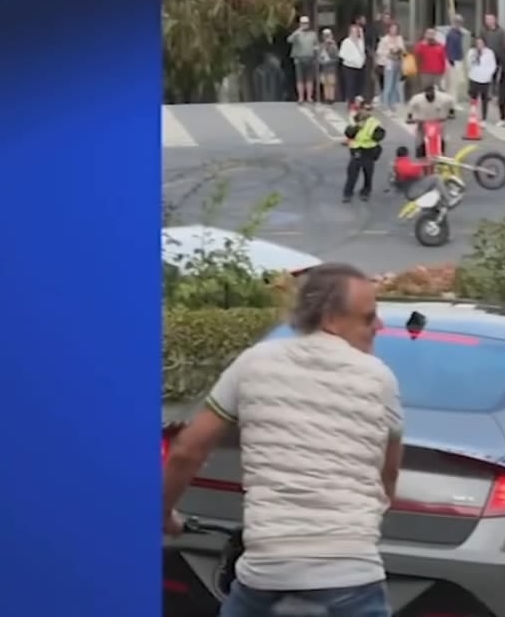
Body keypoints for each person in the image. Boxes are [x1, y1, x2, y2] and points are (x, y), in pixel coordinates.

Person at [162, 263, 403, 617]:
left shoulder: (254, 363)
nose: (378, 327)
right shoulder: (380, 379)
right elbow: (388, 475)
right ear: (331, 319)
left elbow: (187, 451)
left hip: (268, 569)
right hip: (351, 572)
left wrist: (163, 513)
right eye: (369, 319)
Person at [341, 99, 386, 202]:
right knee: (352, 173)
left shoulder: (374, 123)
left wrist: (374, 136)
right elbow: (348, 133)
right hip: (357, 150)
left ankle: (366, 191)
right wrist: (357, 127)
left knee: (368, 173)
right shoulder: (355, 121)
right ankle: (347, 194)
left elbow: (380, 135)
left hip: (369, 151)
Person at [404, 84, 457, 158]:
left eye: (432, 94)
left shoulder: (443, 97)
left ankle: (441, 153)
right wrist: (409, 118)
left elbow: (452, 101)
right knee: (420, 138)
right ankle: (420, 154)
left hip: (438, 120)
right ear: (424, 93)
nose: (430, 96)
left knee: (441, 137)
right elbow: (410, 106)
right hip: (422, 121)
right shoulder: (417, 98)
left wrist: (452, 113)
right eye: (428, 94)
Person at [375, 22, 407, 113]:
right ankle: (385, 103)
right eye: (392, 28)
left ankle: (394, 103)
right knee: (388, 83)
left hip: (398, 62)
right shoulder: (384, 39)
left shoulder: (399, 38)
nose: (394, 30)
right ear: (389, 29)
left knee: (396, 84)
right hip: (388, 63)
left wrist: (400, 51)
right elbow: (379, 52)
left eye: (395, 29)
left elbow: (404, 50)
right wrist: (390, 52)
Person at [288, 16, 319, 104]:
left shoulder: (313, 34)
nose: (305, 25)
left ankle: (309, 97)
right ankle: (301, 98)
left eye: (306, 23)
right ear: (300, 24)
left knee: (309, 79)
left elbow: (316, 45)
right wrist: (297, 31)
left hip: (310, 58)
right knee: (300, 79)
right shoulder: (297, 34)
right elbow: (289, 40)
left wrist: (316, 54)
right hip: (299, 59)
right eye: (303, 23)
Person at [465, 36, 497, 120]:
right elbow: (468, 64)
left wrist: (488, 74)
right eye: (477, 43)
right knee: (473, 99)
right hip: (474, 78)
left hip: (485, 80)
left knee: (484, 100)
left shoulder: (489, 53)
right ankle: (473, 115)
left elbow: (493, 66)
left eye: (481, 43)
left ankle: (484, 118)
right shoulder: (471, 52)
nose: (479, 45)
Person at [340, 24, 368, 108]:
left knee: (359, 85)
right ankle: (350, 103)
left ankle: (358, 102)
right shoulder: (346, 41)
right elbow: (342, 54)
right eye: (353, 32)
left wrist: (362, 61)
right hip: (349, 67)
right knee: (350, 85)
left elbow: (362, 52)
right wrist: (352, 61)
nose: (355, 33)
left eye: (356, 32)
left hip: (360, 67)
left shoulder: (360, 41)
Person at [412, 28, 447, 93]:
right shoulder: (421, 45)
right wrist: (423, 44)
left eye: (432, 33)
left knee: (438, 91)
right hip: (426, 72)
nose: (431, 35)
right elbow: (416, 54)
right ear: (425, 35)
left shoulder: (440, 45)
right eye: (429, 33)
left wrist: (444, 71)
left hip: (438, 72)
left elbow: (444, 58)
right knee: (426, 91)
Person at [317, 28, 339, 105]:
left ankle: (331, 98)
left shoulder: (334, 46)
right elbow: (318, 56)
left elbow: (336, 57)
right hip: (323, 67)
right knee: (325, 83)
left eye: (328, 35)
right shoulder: (321, 45)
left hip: (331, 66)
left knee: (331, 83)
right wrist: (321, 61)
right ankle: (326, 98)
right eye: (325, 35)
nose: (326, 37)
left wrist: (329, 61)